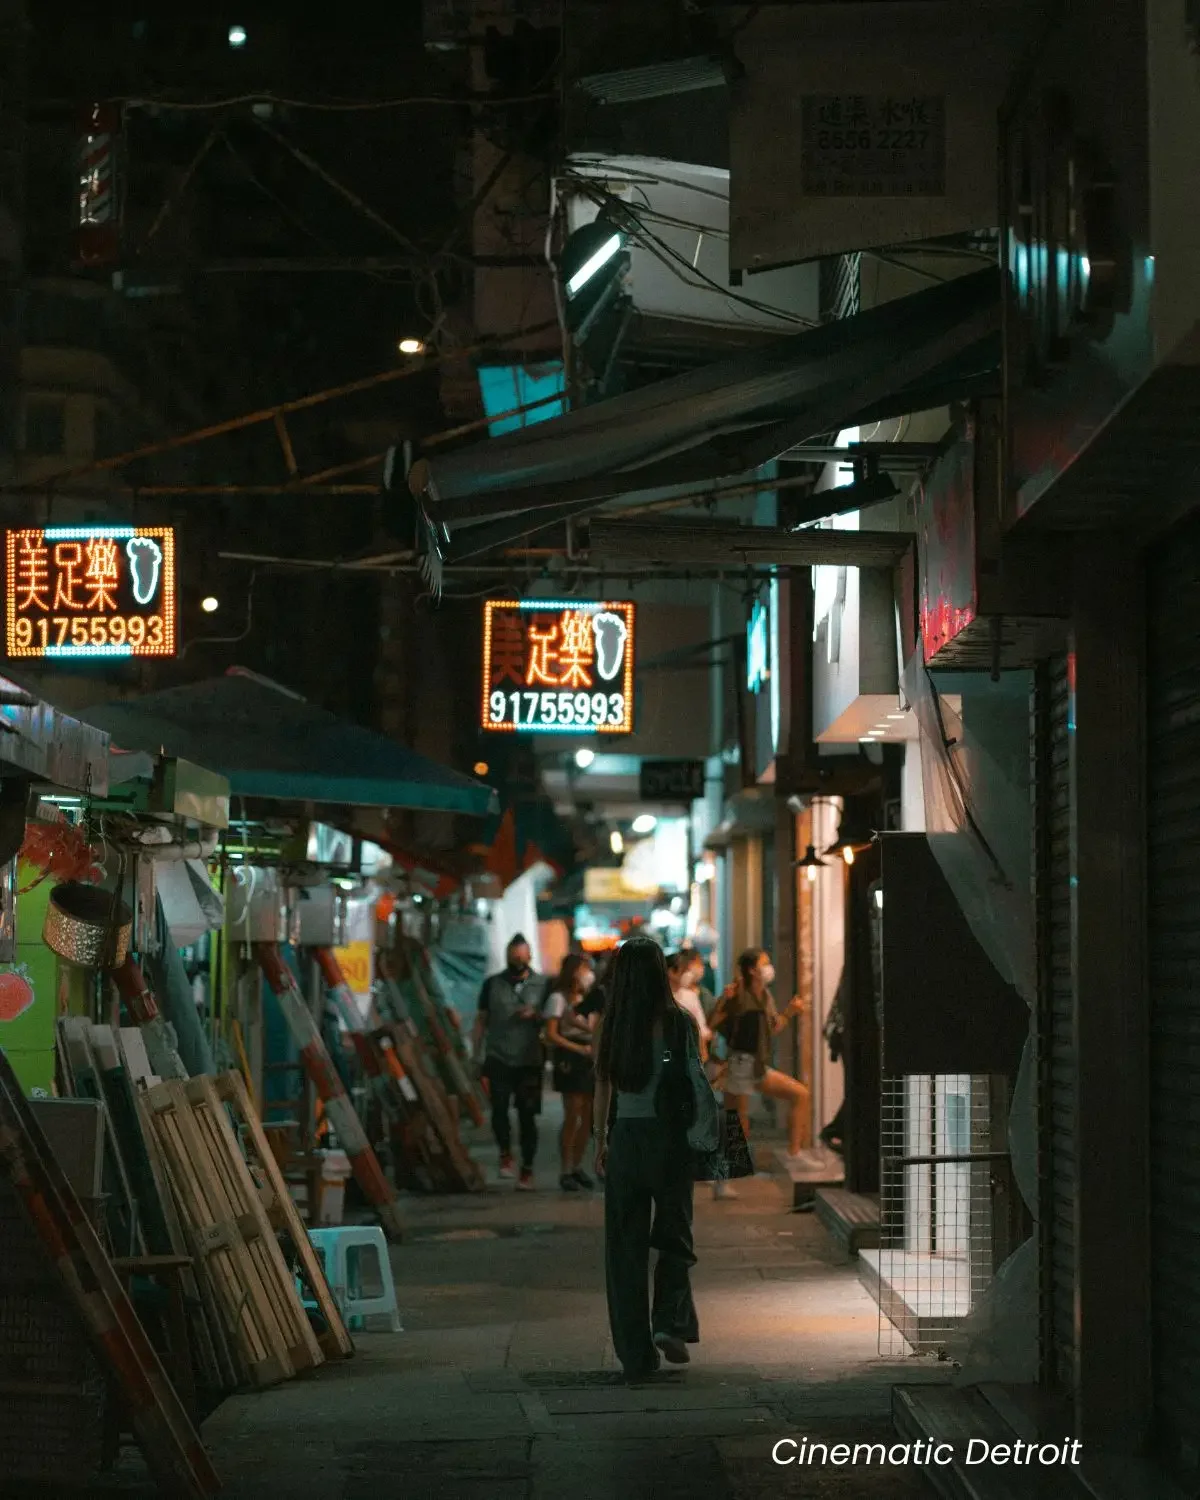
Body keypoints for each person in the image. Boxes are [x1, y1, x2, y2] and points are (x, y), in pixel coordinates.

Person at [594, 937, 701, 1382]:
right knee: (675, 1237)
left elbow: (603, 1086)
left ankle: (635, 1356)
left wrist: (601, 1140)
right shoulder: (679, 1022)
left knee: (624, 1248)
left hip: (625, 1139)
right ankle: (669, 1323)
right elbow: (696, 1080)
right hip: (670, 1140)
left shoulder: (612, 1024)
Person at [710, 948, 809, 1159]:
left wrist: (790, 1011)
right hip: (739, 1064)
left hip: (757, 1065)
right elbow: (713, 1023)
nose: (769, 968)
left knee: (800, 1094)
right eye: (765, 963)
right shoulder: (738, 992)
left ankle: (795, 1153)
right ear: (753, 970)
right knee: (738, 1122)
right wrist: (724, 1001)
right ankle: (723, 1179)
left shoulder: (765, 995)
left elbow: (772, 1028)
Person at [472, 933, 548, 1190]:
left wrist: (536, 1014)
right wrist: (476, 1052)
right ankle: (505, 1153)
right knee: (499, 1110)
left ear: (529, 956)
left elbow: (554, 1019)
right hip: (498, 1057)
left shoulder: (542, 984)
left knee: (527, 1116)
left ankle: (527, 1169)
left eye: (522, 954)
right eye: (513, 954)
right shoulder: (492, 984)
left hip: (529, 1060)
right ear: (506, 956)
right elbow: (481, 1019)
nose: (518, 958)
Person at [545, 953, 598, 1192]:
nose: (588, 974)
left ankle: (577, 1167)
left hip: (589, 1056)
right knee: (572, 1114)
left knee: (588, 1117)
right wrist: (578, 1048)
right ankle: (565, 1169)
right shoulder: (558, 998)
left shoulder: (588, 998)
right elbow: (552, 1034)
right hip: (571, 1057)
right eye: (583, 969)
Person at [667, 951, 711, 1060]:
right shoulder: (659, 998)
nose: (688, 974)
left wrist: (702, 1051)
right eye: (684, 970)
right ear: (671, 972)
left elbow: (700, 1026)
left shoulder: (691, 996)